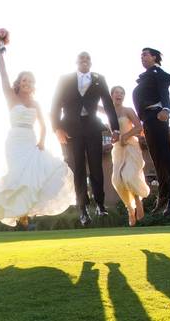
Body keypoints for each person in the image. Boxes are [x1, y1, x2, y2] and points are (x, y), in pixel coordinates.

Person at [0, 44, 75, 227]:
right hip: (14, 141)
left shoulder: (36, 103)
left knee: (43, 172)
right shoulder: (11, 97)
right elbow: (3, 76)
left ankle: (26, 210)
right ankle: (20, 211)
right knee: (16, 175)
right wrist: (0, 53)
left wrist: (42, 141)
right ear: (19, 83)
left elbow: (44, 125)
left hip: (31, 140)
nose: (27, 84)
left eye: (31, 81)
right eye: (24, 80)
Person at [51, 51, 120, 226]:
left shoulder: (99, 79)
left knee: (96, 166)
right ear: (76, 61)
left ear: (91, 62)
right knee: (78, 169)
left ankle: (100, 204)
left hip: (92, 127)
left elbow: (108, 104)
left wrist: (116, 128)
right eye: (81, 58)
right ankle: (82, 209)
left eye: (87, 58)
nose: (84, 60)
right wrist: (57, 128)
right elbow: (55, 104)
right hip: (71, 129)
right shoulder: (65, 80)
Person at [133, 47, 170, 216]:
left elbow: (165, 86)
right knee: (156, 159)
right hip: (147, 120)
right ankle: (163, 195)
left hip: (157, 116)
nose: (142, 57)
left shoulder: (158, 73)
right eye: (141, 55)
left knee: (165, 155)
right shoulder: (146, 76)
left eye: (145, 54)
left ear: (154, 57)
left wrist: (166, 109)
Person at [108, 85, 150, 226]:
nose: (119, 95)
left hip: (131, 146)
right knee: (117, 181)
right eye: (116, 93)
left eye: (121, 93)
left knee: (128, 175)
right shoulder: (109, 113)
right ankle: (130, 209)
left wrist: (126, 136)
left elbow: (139, 127)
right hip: (118, 149)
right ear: (111, 95)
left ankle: (138, 200)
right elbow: (95, 106)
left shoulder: (128, 111)